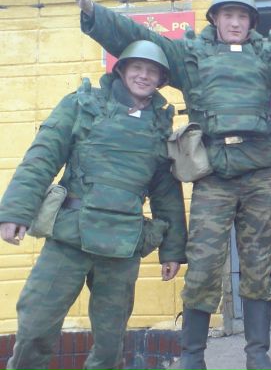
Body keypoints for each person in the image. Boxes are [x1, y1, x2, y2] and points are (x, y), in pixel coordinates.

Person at [66, 0, 271, 370]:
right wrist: (95, 13)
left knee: (257, 267)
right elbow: (141, 38)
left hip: (260, 175)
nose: (235, 22)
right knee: (202, 266)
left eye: (242, 16)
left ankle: (258, 355)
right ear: (214, 18)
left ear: (251, 22)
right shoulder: (191, 57)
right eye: (228, 14)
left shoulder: (266, 57)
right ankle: (192, 357)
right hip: (213, 176)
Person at [0, 40, 188, 370]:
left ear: (161, 80)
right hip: (69, 237)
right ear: (121, 70)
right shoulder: (81, 104)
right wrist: (16, 211)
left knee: (110, 343)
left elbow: (166, 193)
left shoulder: (159, 127)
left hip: (122, 243)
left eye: (152, 71)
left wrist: (172, 250)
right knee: (35, 327)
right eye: (137, 67)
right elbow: (42, 158)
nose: (144, 76)